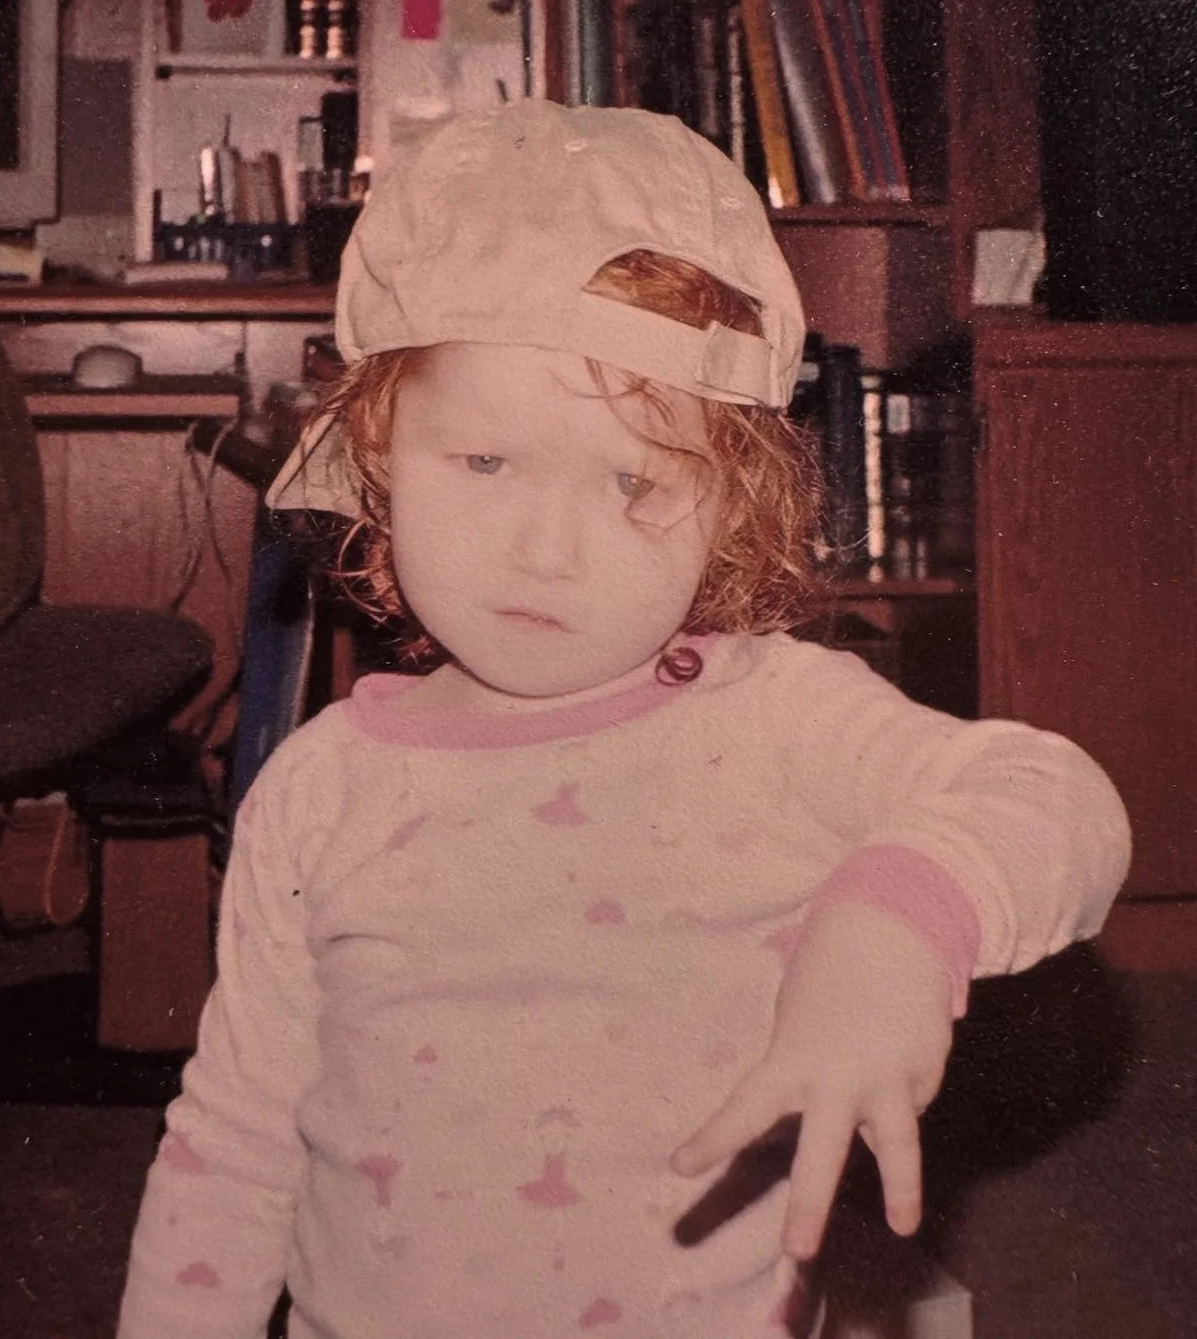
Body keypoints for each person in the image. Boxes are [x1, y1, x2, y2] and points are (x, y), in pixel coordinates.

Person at [117, 100, 1129, 1339]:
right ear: (378, 457)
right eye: (485, 464)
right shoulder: (319, 789)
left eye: (635, 481)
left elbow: (1057, 801)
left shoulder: (779, 721)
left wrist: (899, 915)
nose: (547, 548)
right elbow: (233, 1148)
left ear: (732, 503)